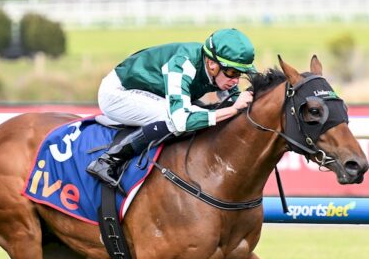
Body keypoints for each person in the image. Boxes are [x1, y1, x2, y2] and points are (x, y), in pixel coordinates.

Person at [86, 28, 256, 188]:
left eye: (240, 74)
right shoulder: (183, 65)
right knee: (173, 119)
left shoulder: (220, 67)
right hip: (119, 93)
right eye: (233, 73)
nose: (236, 81)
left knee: (201, 113)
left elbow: (238, 96)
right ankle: (108, 161)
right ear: (212, 64)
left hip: (153, 92)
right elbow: (181, 120)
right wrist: (232, 110)